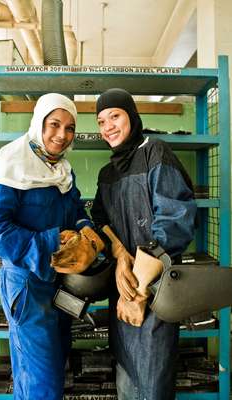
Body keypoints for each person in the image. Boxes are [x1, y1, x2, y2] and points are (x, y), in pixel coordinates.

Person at [0, 93, 105, 400]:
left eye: (70, 128)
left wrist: (86, 230)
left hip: (60, 283)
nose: (62, 135)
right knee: (42, 381)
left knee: (52, 367)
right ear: (38, 123)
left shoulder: (62, 169)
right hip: (27, 284)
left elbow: (74, 210)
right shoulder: (11, 164)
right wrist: (48, 242)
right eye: (54, 124)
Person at [90, 88, 197, 400]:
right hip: (121, 291)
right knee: (126, 380)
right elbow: (100, 221)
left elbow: (174, 223)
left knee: (152, 385)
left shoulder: (156, 152)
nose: (107, 126)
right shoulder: (106, 172)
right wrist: (121, 255)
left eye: (115, 116)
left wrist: (137, 294)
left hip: (154, 290)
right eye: (100, 121)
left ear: (132, 117)